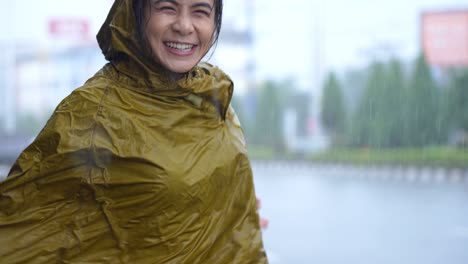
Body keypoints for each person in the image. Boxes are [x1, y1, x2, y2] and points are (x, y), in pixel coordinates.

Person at [0, 0, 268, 263]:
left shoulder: (214, 93)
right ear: (135, 11)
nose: (184, 26)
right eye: (167, 8)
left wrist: (220, 204)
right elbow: (21, 226)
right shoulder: (93, 113)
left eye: (200, 11)